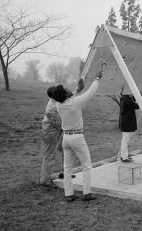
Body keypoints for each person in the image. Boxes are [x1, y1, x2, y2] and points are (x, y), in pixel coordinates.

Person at [52, 71, 103, 202]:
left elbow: (70, 97)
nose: (67, 89)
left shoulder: (59, 104)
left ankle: (69, 194)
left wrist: (77, 89)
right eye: (65, 90)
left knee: (67, 168)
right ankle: (86, 194)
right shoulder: (74, 103)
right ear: (64, 94)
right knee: (86, 165)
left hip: (66, 139)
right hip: (77, 138)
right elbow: (90, 92)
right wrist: (97, 78)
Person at [39, 79, 84, 188]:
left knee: (65, 150)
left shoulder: (57, 101)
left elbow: (67, 97)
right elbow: (61, 121)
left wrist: (78, 90)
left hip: (57, 130)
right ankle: (45, 180)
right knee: (49, 155)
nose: (64, 93)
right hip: (50, 133)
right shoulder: (53, 107)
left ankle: (65, 173)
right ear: (54, 96)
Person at [118, 94, 140, 162]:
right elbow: (136, 106)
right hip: (126, 122)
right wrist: (139, 99)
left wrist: (136, 97)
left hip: (126, 122)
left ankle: (124, 156)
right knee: (125, 140)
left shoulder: (125, 97)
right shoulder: (126, 99)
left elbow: (132, 101)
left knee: (126, 140)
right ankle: (124, 157)